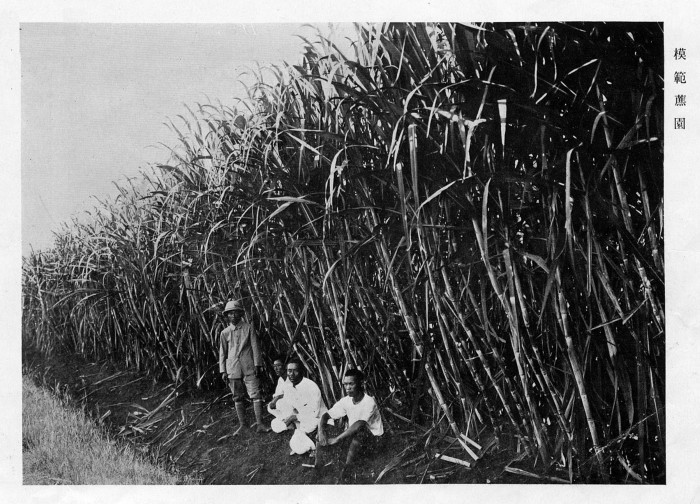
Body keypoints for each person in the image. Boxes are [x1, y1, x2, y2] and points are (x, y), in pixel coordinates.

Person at [316, 369, 384, 480]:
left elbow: (359, 424)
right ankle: (318, 469)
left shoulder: (369, 401)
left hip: (373, 439)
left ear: (361, 384)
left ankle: (347, 470)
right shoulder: (346, 400)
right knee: (323, 430)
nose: (348, 388)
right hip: (353, 435)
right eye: (345, 384)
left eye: (351, 384)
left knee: (360, 433)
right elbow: (325, 415)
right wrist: (321, 432)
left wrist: (337, 439)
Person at [218, 299, 271, 434]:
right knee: (237, 396)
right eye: (230, 314)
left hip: (249, 366)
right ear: (227, 316)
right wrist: (223, 370)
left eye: (236, 313)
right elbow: (222, 352)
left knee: (255, 393)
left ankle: (259, 424)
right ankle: (243, 425)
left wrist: (258, 364)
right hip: (233, 369)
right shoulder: (225, 333)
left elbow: (255, 347)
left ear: (240, 314)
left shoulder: (248, 328)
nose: (233, 316)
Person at [271, 359, 328, 454]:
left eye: (295, 371)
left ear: (301, 372)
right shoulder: (289, 386)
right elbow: (292, 406)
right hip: (300, 417)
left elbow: (314, 412)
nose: (291, 374)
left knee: (297, 445)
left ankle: (306, 436)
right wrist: (292, 416)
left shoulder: (311, 386)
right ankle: (299, 431)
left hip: (315, 418)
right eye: (289, 371)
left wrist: (294, 417)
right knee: (275, 424)